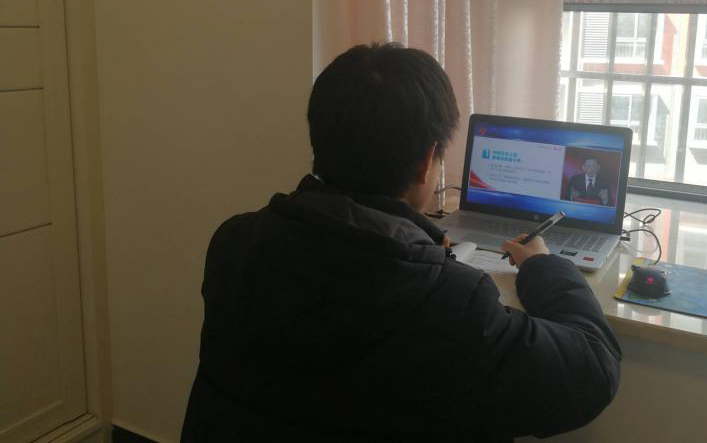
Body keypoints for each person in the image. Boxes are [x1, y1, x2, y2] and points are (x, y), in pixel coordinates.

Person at [181, 43, 621, 442]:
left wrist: (420, 240)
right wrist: (546, 266)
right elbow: (593, 372)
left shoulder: (235, 243)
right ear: (428, 162)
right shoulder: (450, 303)